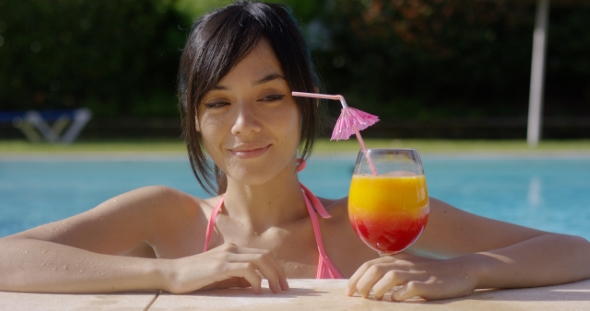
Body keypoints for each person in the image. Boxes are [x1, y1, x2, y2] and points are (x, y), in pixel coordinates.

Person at [1, 1, 589, 302]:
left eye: (270, 95)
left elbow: (575, 251)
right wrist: (170, 272)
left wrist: (466, 270)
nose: (244, 125)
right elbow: (9, 259)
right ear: (194, 120)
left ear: (307, 104)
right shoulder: (166, 218)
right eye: (217, 103)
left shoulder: (367, 224)